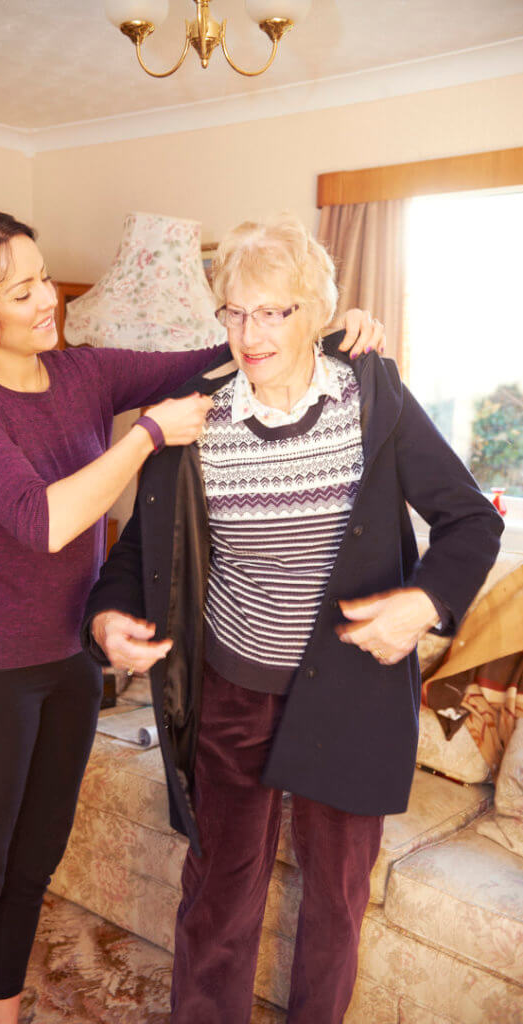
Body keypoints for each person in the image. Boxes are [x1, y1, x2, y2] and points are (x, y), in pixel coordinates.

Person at [0, 205, 384, 1024]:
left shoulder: (83, 371)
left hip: (68, 658)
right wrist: (146, 436)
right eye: (21, 293)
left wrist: (329, 332)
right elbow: (42, 519)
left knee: (33, 864)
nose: (49, 298)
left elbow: (214, 356)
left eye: (43, 275)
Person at [83, 214, 504, 1024]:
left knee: (336, 904)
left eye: (274, 311)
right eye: (235, 311)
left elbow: (469, 518)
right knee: (216, 896)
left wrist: (421, 604)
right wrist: (107, 616)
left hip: (348, 694)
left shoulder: (371, 396)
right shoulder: (196, 417)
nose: (250, 332)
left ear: (315, 314)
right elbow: (141, 548)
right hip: (231, 689)